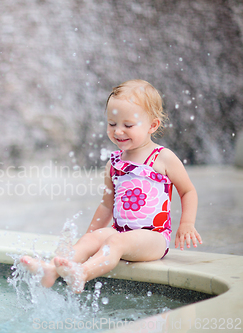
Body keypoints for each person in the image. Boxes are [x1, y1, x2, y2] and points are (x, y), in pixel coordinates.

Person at [20, 79, 202, 293]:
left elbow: (187, 190)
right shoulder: (114, 163)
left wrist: (187, 223)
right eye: (112, 124)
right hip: (120, 232)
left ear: (152, 125)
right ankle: (51, 271)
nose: (118, 131)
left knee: (116, 242)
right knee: (94, 238)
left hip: (153, 237)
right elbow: (107, 205)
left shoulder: (162, 158)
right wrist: (91, 238)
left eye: (128, 125)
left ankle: (83, 274)